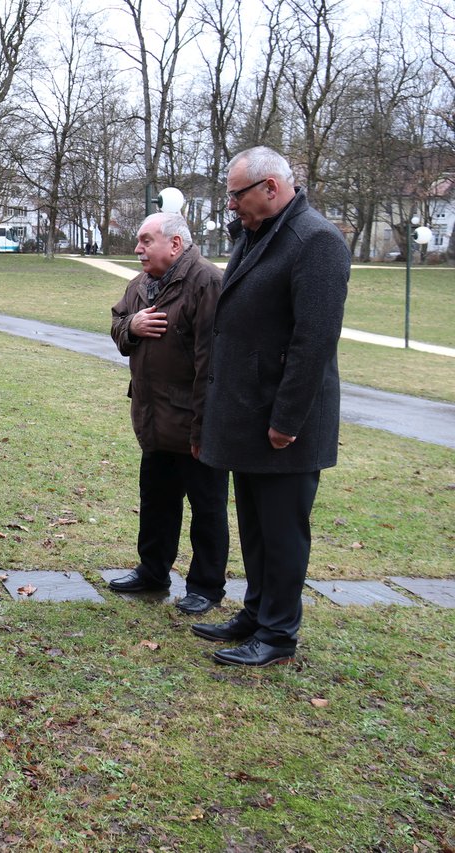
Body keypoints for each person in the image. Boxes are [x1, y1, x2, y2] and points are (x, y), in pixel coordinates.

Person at [194, 146, 350, 667]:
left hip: (285, 424)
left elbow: (313, 342)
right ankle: (256, 614)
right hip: (249, 414)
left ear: (271, 188)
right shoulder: (259, 234)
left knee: (283, 533)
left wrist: (287, 420)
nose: (231, 203)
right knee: (257, 528)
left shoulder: (315, 242)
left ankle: (279, 634)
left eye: (237, 193)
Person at [107, 213, 229, 615]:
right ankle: (152, 571)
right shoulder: (141, 285)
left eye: (146, 241)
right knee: (157, 501)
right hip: (153, 418)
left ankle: (206, 587)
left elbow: (213, 363)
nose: (137, 249)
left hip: (195, 424)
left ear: (174, 244)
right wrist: (132, 326)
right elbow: (118, 324)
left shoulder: (206, 282)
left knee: (207, 508)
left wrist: (202, 429)